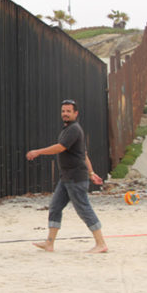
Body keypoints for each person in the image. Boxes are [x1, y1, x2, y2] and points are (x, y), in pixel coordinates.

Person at [26, 99, 108, 253]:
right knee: (55, 207)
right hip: (66, 178)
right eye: (63, 111)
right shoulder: (68, 129)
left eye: (68, 111)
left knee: (84, 209)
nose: (65, 113)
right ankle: (49, 243)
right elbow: (84, 154)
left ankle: (101, 243)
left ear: (75, 113)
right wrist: (91, 173)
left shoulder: (74, 129)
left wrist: (38, 152)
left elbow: (60, 147)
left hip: (75, 178)